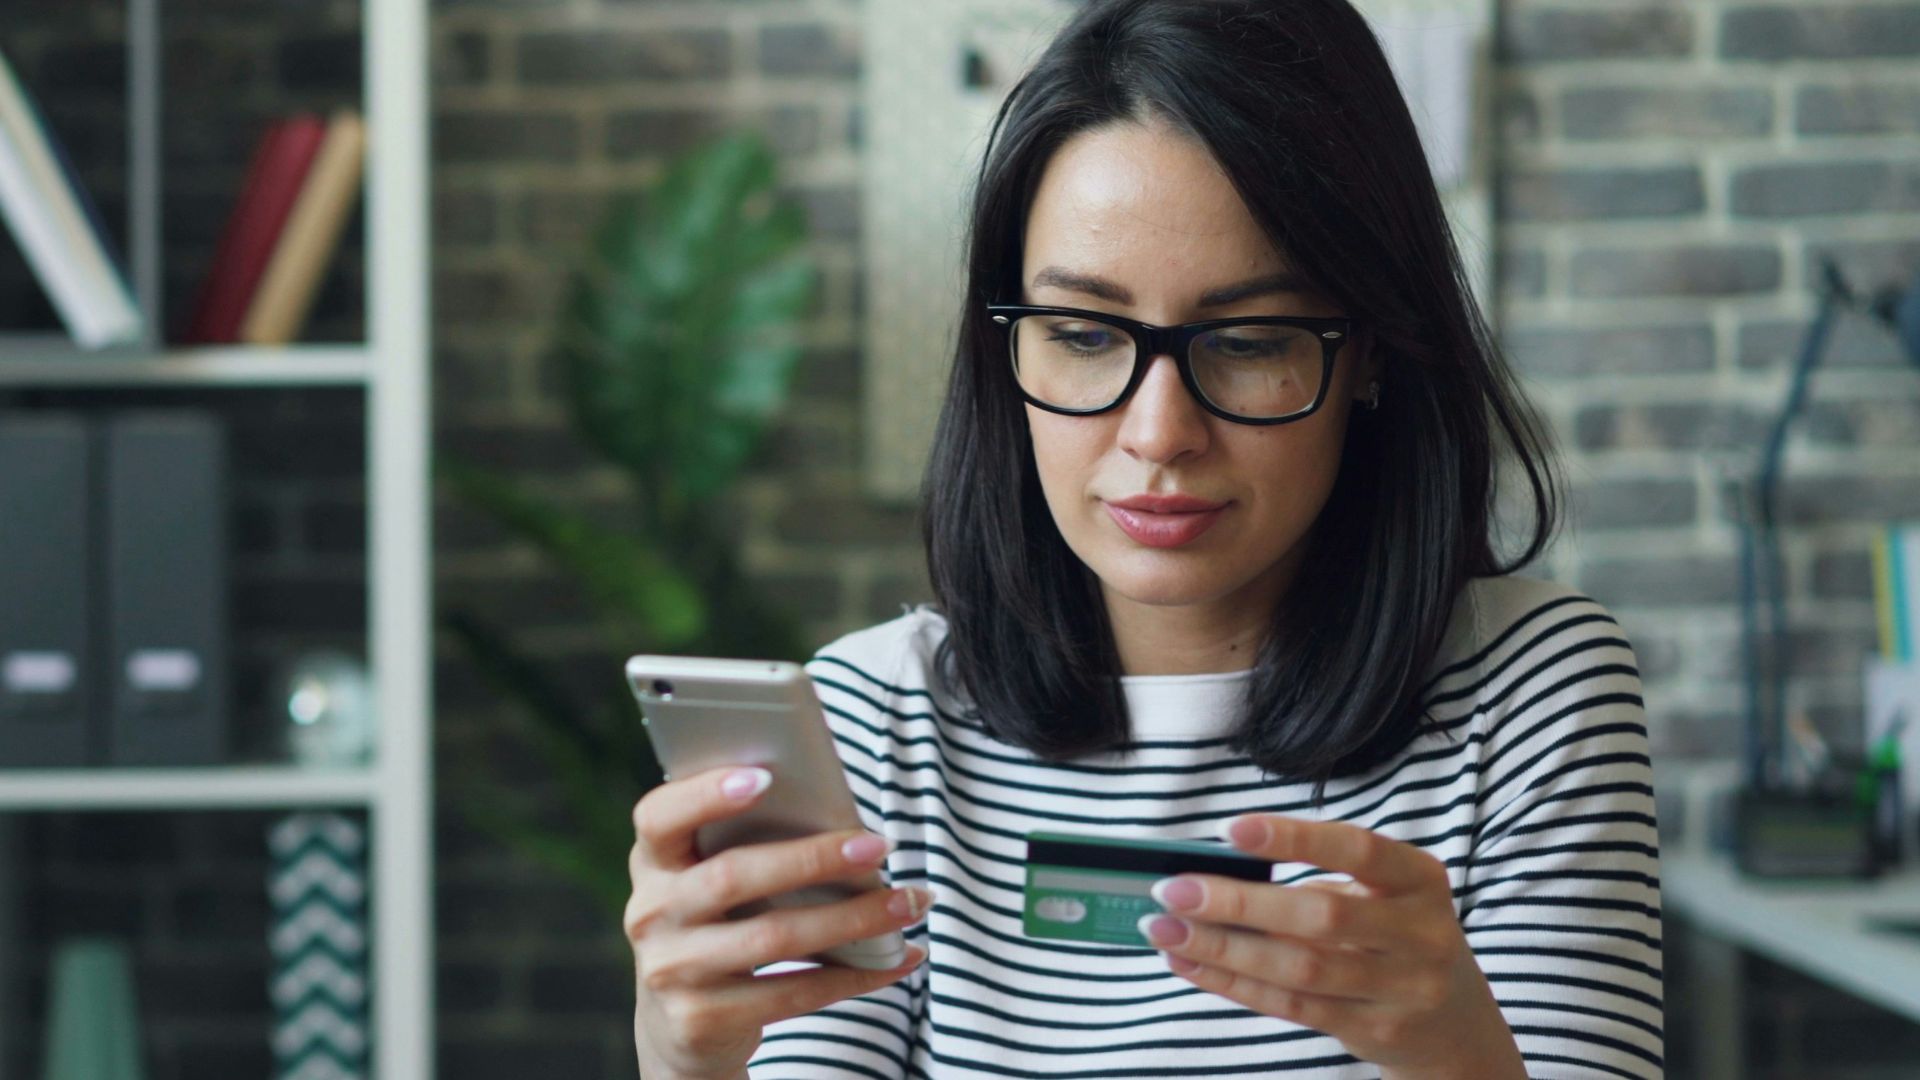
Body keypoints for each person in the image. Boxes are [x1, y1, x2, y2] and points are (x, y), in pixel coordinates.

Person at [624, 0, 1662, 1076]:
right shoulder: (874, 722)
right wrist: (685, 1055)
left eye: (1251, 341)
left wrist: (1459, 1054)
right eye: (1081, 334)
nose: (1159, 432)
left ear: (1375, 355)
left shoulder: (1535, 692)